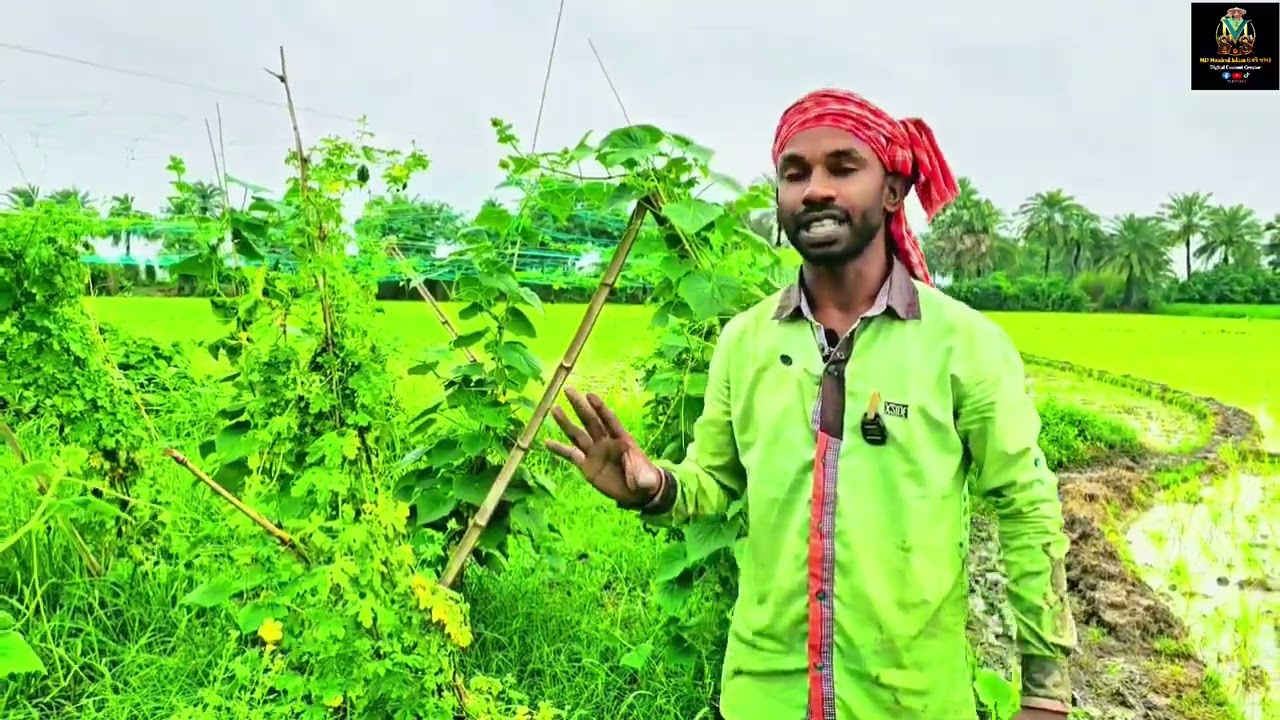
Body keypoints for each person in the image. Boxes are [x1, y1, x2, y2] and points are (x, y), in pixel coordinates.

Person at [545, 88, 1077, 720]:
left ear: (892, 190)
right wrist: (652, 486)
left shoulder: (964, 344)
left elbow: (1026, 507)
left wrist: (1045, 693)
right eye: (794, 174)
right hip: (762, 696)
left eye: (842, 168)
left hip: (911, 702)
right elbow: (713, 481)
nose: (815, 189)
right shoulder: (745, 342)